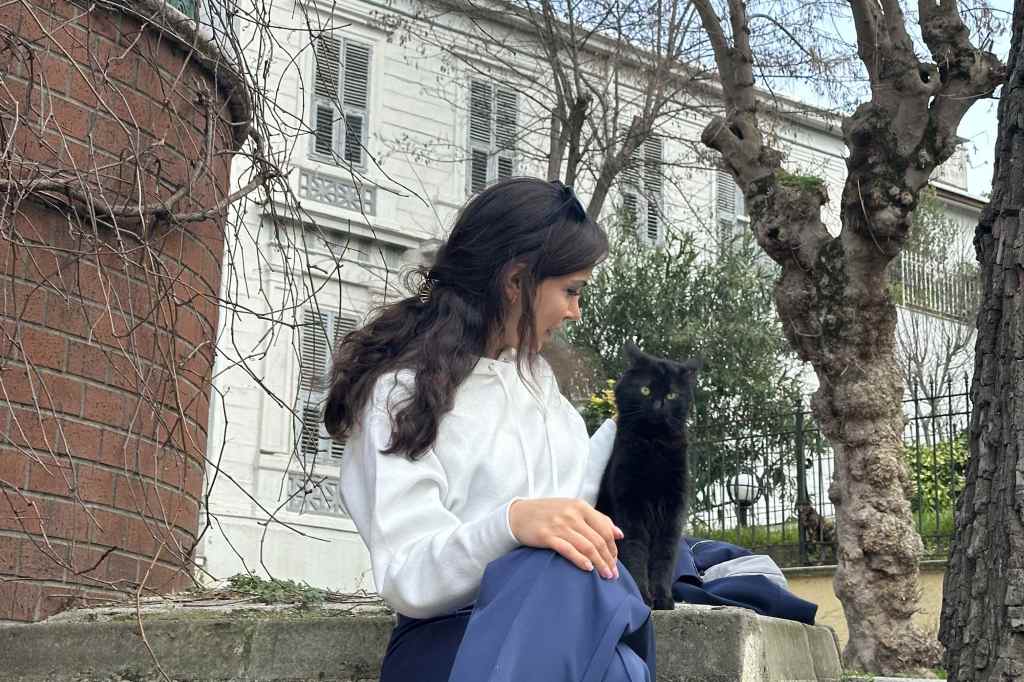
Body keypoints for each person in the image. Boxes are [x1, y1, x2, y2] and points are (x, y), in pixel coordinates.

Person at [324, 177, 654, 682]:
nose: (574, 311)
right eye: (570, 290)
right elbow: (407, 574)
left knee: (620, 663)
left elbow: (574, 549)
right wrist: (511, 524)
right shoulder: (404, 395)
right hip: (449, 646)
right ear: (517, 281)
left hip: (559, 635)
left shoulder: (556, 411)